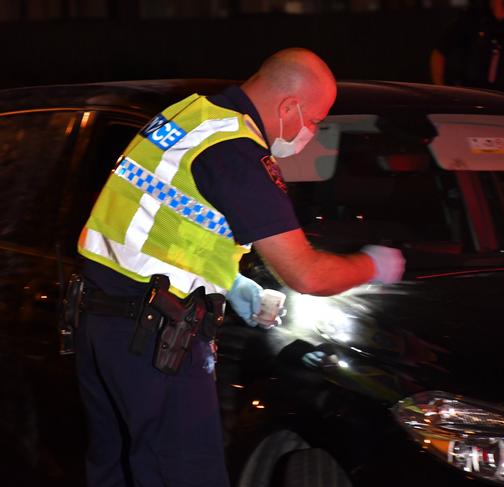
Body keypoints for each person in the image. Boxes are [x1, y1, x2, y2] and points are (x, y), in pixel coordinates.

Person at [71, 47, 405, 487]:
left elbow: (166, 226)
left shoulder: (192, 114)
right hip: (154, 339)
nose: (310, 133)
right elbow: (307, 274)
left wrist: (229, 282)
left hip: (105, 324)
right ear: (289, 107)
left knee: (120, 473)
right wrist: (373, 265)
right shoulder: (236, 151)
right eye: (314, 121)